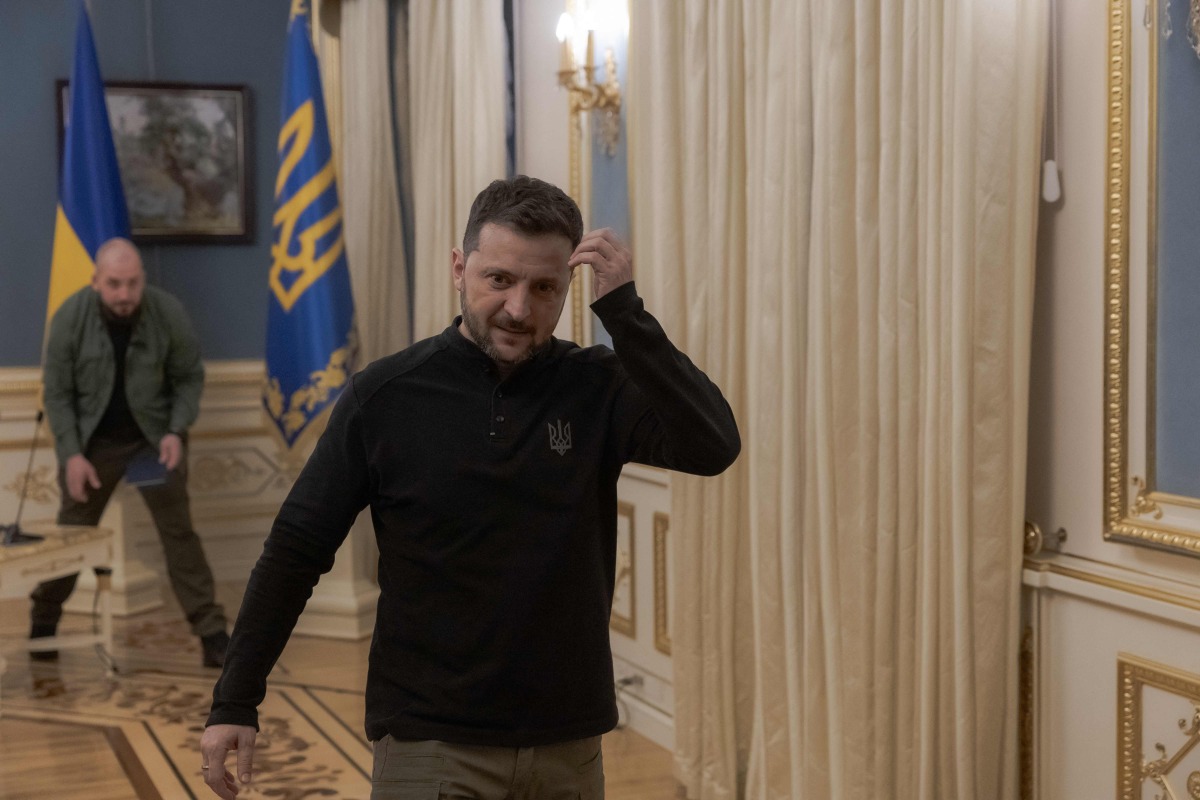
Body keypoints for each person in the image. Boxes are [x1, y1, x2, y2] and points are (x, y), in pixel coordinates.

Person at [200, 176, 740, 799]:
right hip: (430, 742)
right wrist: (235, 699)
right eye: (499, 280)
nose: (519, 309)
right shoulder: (385, 396)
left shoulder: (597, 386)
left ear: (567, 289)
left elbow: (714, 445)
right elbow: (296, 548)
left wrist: (626, 313)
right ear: (460, 268)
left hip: (567, 741)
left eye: (544, 288)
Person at [33, 237, 229, 668]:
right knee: (72, 536)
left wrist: (176, 430)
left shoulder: (167, 312)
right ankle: (43, 622)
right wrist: (71, 455)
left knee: (179, 534)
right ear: (96, 281)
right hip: (93, 446)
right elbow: (58, 394)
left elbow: (188, 378)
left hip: (151, 442)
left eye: (132, 283)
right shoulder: (70, 317)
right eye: (114, 284)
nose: (124, 294)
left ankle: (212, 633)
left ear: (142, 280)